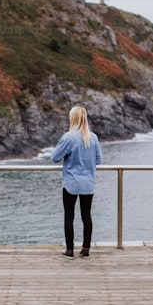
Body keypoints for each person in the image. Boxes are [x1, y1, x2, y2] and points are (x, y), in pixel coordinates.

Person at [51, 106, 103, 259]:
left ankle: (69, 249)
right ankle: (86, 248)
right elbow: (99, 159)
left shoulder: (68, 137)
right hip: (88, 183)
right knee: (87, 216)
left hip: (71, 183)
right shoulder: (92, 137)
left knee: (69, 216)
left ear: (72, 118)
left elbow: (55, 157)